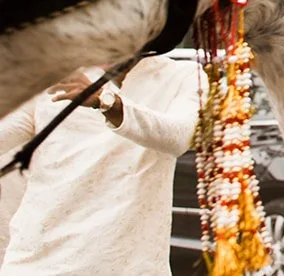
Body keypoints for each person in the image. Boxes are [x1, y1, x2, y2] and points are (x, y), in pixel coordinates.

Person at [0, 55, 203, 275]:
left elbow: (179, 137)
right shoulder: (56, 74)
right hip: (37, 259)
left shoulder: (183, 75)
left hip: (125, 261)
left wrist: (106, 102)